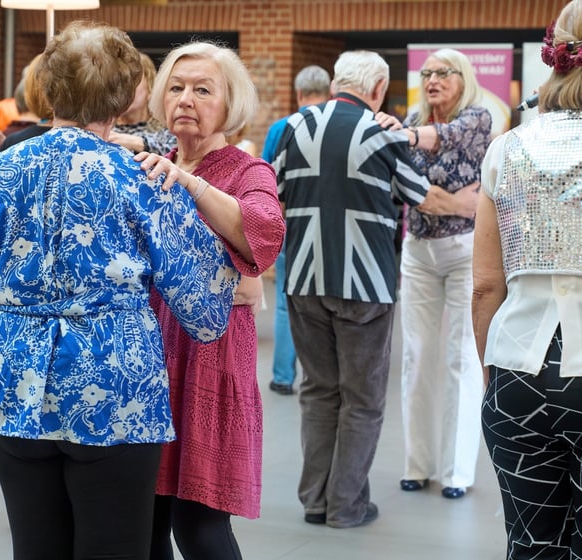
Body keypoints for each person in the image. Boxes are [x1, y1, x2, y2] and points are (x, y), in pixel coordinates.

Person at [0, 21, 239, 560]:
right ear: (121, 96)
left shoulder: (0, 172)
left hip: (14, 383)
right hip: (114, 389)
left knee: (35, 549)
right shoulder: (139, 177)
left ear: (49, 87)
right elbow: (205, 308)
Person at [274, 50, 479, 529]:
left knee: (318, 391)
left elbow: (275, 193)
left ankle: (314, 501)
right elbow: (422, 197)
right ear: (378, 89)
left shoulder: (294, 127)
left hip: (304, 280)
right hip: (365, 285)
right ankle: (347, 506)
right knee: (362, 399)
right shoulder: (381, 132)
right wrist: (470, 208)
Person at [472, 0, 582, 557]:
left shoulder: (507, 148)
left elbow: (487, 284)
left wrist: (494, 375)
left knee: (530, 545)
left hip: (518, 372)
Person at [135, 42, 284, 559]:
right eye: (176, 88)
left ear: (229, 103)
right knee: (146, 529)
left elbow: (262, 234)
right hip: (146, 366)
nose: (186, 100)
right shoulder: (150, 167)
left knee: (199, 531)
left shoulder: (247, 171)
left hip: (209, 364)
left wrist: (192, 185)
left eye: (203, 90)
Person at [398, 48, 492, 500]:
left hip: (464, 252)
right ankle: (417, 464)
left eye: (442, 73)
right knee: (416, 357)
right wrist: (457, 203)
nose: (432, 79)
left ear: (463, 77)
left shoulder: (478, 118)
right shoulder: (411, 122)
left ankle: (457, 472)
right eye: (427, 72)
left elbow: (447, 137)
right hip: (418, 250)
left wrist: (412, 138)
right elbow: (410, 190)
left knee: (460, 359)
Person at [261, 64, 330, 396]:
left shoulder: (280, 128)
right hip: (331, 228)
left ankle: (283, 377)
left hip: (292, 224)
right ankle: (322, 376)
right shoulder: (337, 127)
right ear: (329, 92)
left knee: (287, 301)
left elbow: (264, 181)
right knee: (328, 299)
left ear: (299, 93)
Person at [109, 51, 177, 156]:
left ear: (150, 86)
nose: (123, 88)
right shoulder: (105, 128)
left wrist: (138, 143)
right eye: (118, 81)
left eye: (132, 79)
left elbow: (181, 155)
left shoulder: (169, 128)